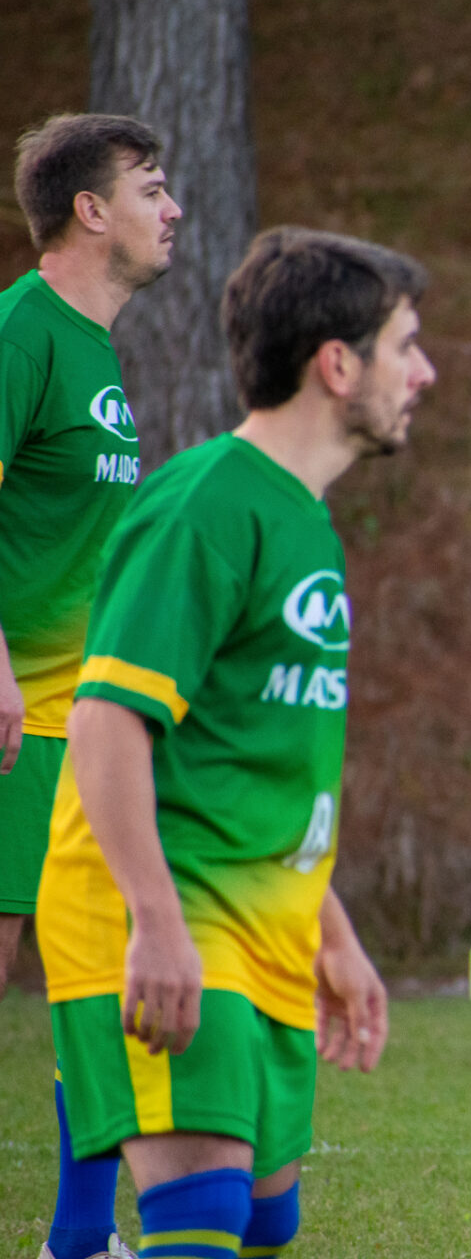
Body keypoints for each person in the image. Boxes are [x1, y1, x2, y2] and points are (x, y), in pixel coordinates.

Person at [33, 226, 433, 1259]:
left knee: (266, 1215)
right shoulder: (206, 503)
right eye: (406, 346)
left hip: (266, 924)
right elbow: (106, 717)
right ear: (336, 364)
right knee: (201, 1217)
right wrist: (155, 924)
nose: (423, 373)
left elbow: (249, 764)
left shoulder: (303, 521)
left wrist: (333, 937)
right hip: (163, 910)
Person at [2, 112, 182, 1259]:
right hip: (15, 718)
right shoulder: (21, 329)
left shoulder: (97, 347)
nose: (172, 211)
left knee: (89, 974)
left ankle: (79, 1234)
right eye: (152, 189)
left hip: (81, 727)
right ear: (90, 209)